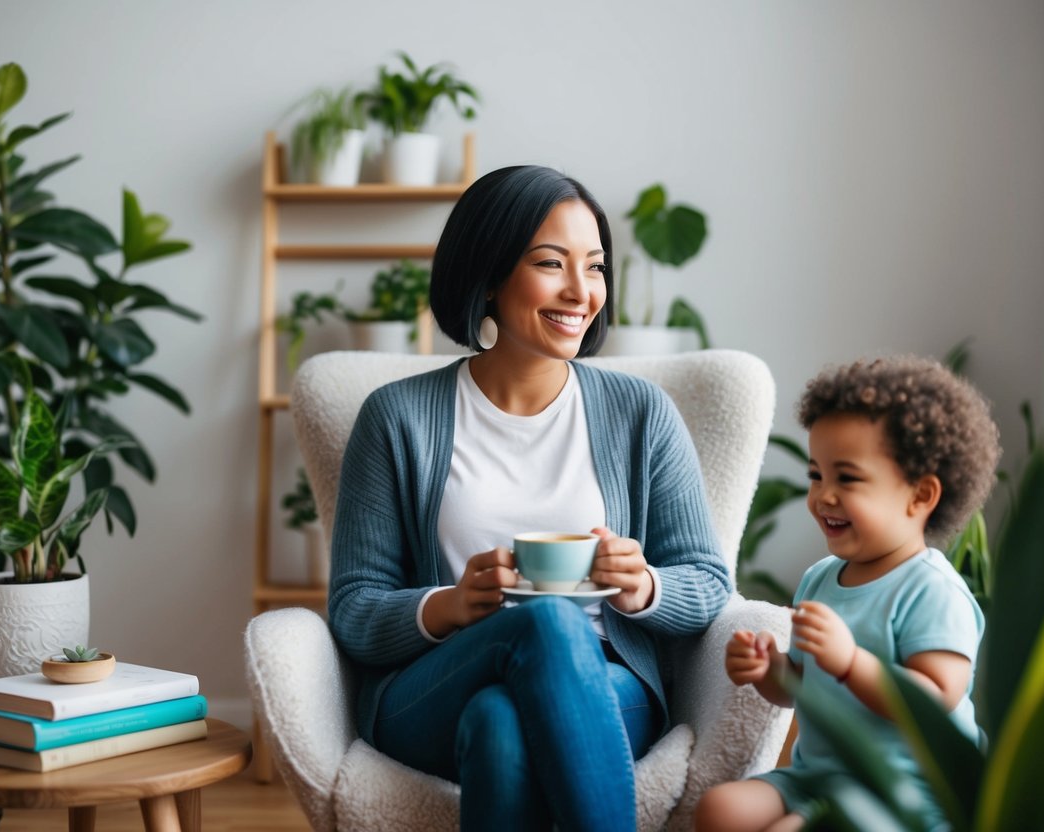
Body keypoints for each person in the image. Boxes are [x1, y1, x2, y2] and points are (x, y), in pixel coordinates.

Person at [328, 165, 731, 831]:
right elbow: (353, 609)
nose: (582, 291)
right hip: (433, 686)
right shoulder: (395, 417)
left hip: (605, 685)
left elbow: (709, 582)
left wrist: (645, 588)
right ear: (487, 275)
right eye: (551, 264)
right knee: (546, 621)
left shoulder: (639, 414)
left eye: (596, 267)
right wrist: (449, 605)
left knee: (500, 725)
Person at [695, 356, 1001, 832]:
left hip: (905, 795)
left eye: (848, 478)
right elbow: (799, 686)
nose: (824, 496)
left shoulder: (933, 591)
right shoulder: (820, 579)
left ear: (920, 496)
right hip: (817, 778)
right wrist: (769, 669)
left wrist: (850, 663)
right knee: (719, 810)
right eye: (816, 475)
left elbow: (936, 700)